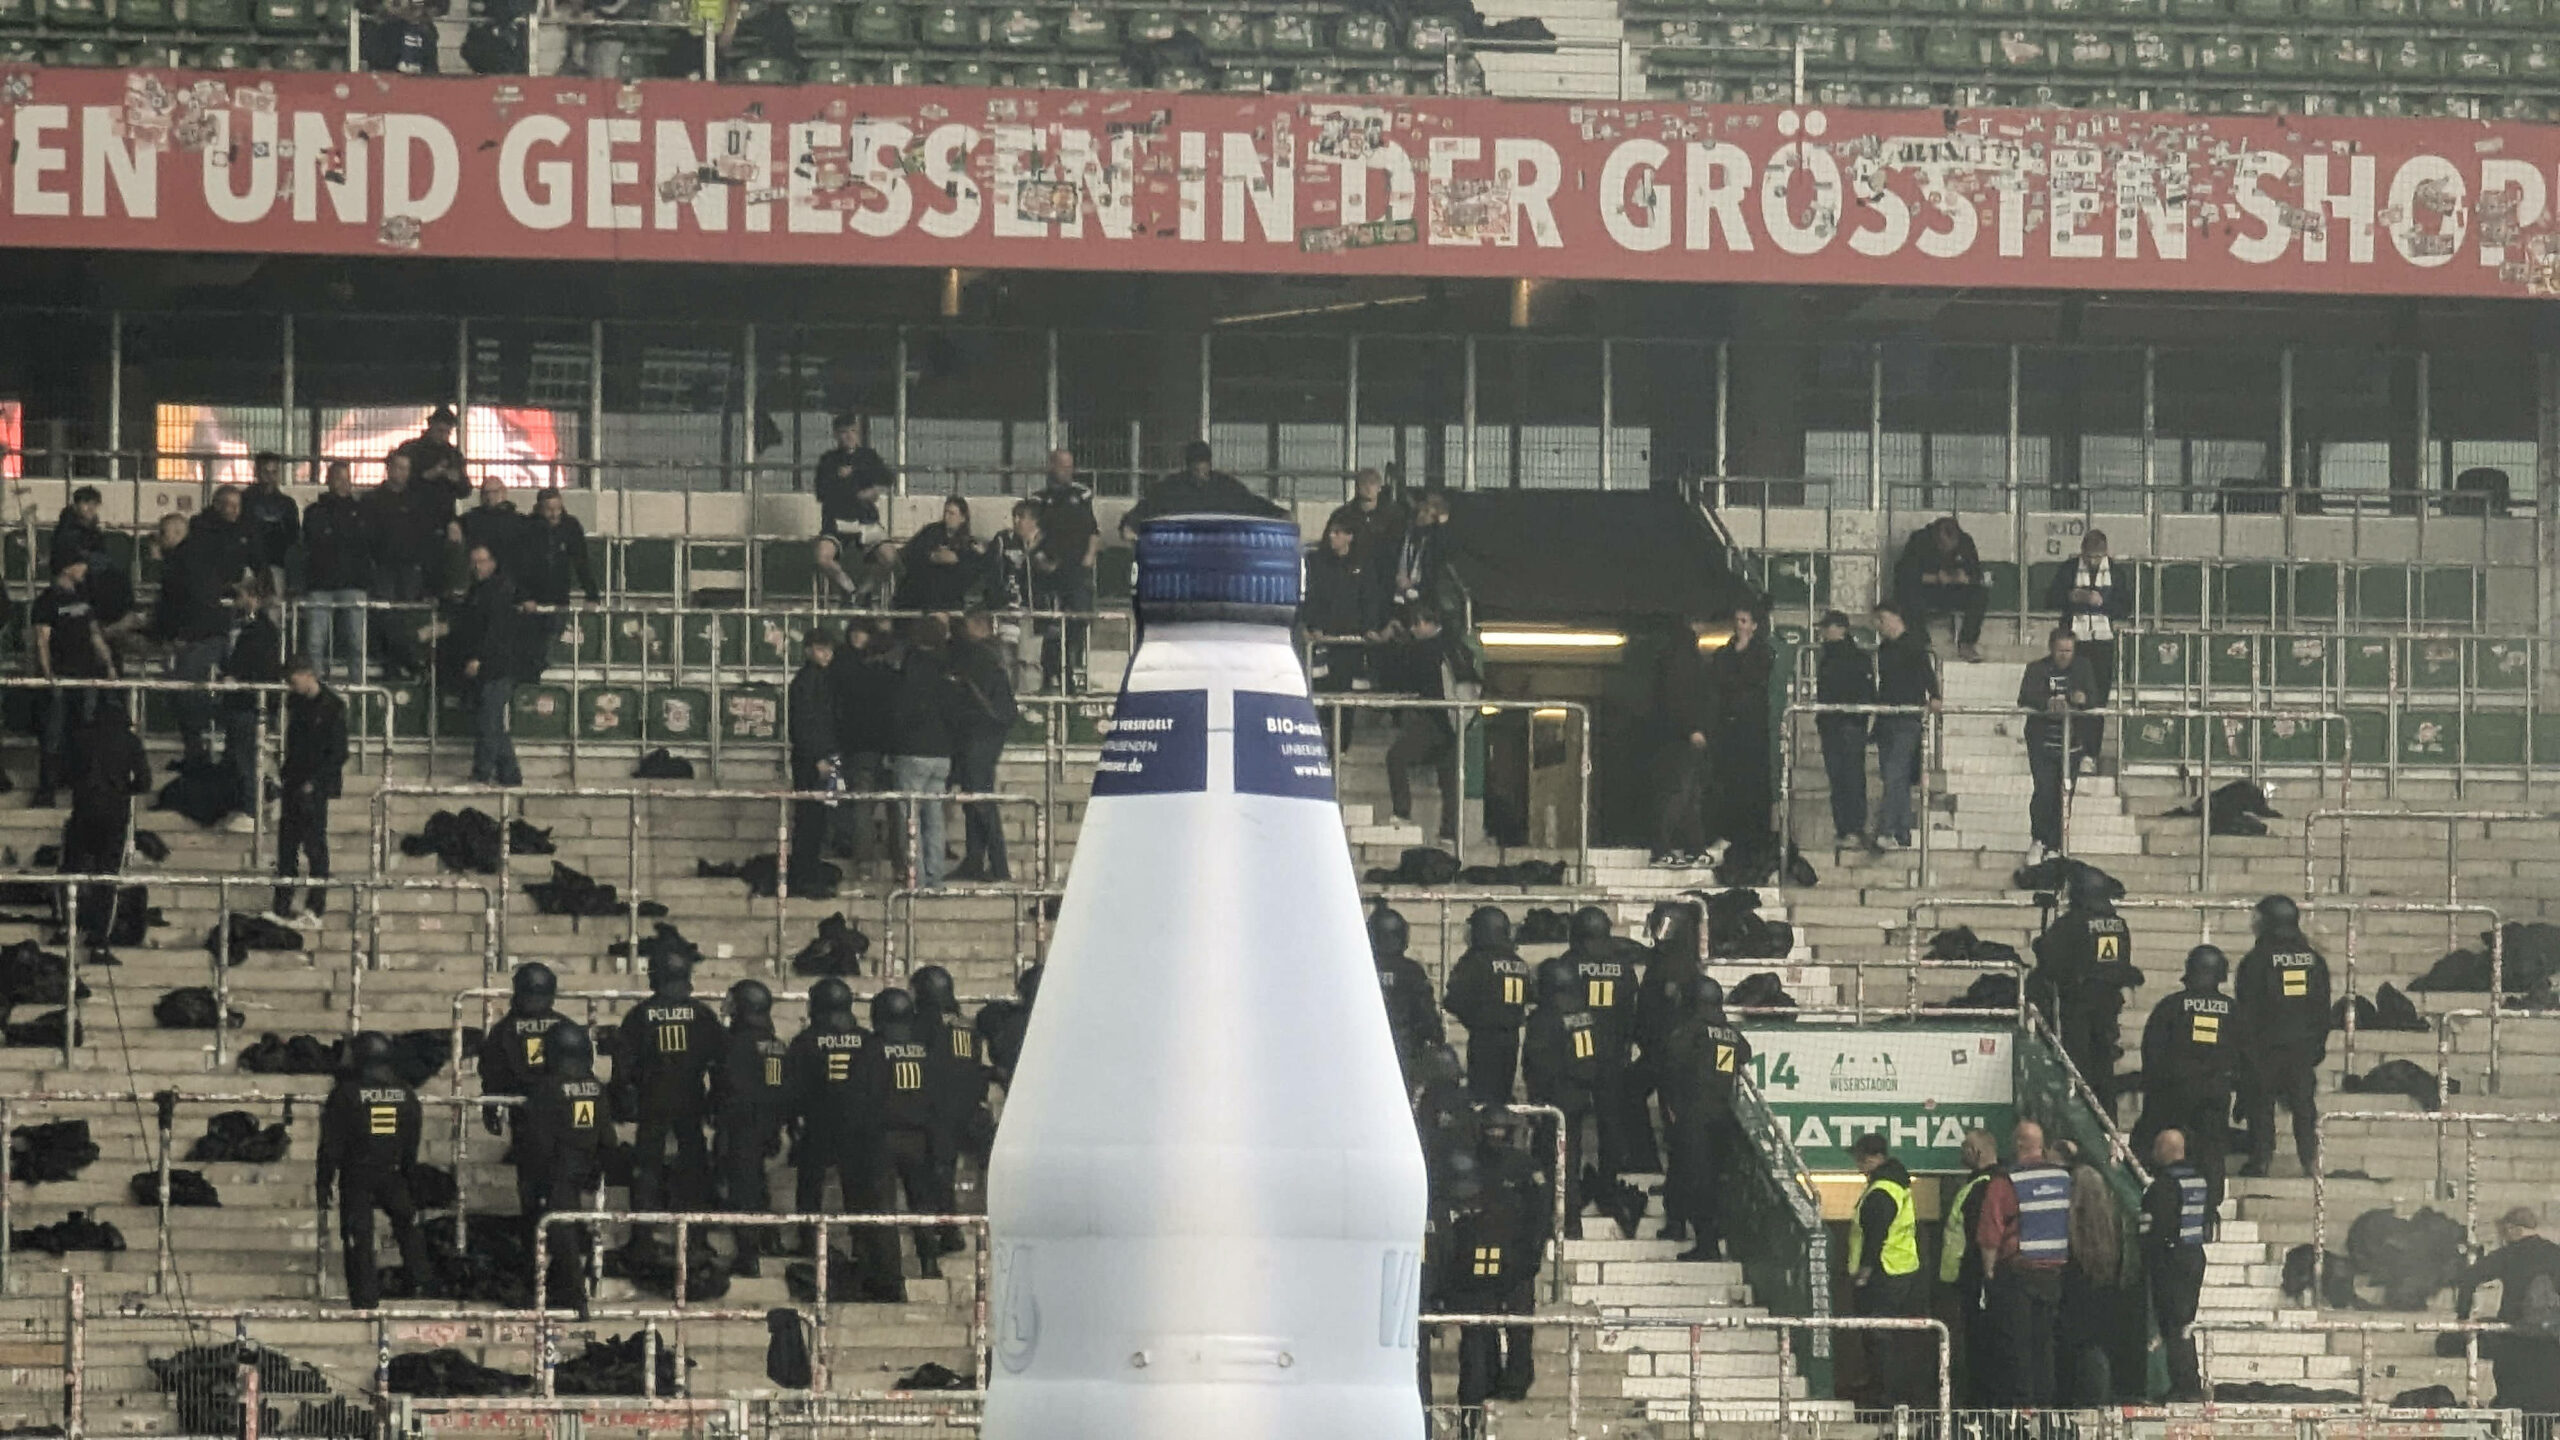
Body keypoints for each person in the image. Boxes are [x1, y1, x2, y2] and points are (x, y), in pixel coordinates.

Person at [785, 976, 901, 1300]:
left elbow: (792, 1088)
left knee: (810, 1185)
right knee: (857, 1191)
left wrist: (794, 1121)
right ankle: (859, 1245)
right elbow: (880, 1086)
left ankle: (809, 1238)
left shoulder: (806, 1041)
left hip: (819, 1126)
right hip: (861, 1132)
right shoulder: (868, 1041)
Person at [317, 1031, 432, 1309]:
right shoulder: (405, 1094)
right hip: (392, 1171)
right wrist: (408, 1174)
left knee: (359, 1236)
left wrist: (324, 1182)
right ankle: (422, 1283)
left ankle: (365, 1297)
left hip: (356, 1173)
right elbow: (411, 1140)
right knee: (407, 1225)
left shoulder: (345, 1094)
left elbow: (331, 1144)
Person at [1436, 1146, 1541, 1438]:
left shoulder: (1469, 1222)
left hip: (1481, 1293)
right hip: (1480, 1294)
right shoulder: (1487, 1218)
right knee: (1477, 1357)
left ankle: (1475, 1421)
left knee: (1477, 1358)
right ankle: (1473, 1421)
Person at [613, 950, 725, 1222]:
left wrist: (624, 1100)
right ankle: (695, 1238)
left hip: (653, 1099)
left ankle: (644, 1237)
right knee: (694, 1165)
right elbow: (721, 1063)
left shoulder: (639, 1016)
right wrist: (715, 1101)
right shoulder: (702, 1015)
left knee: (647, 1167)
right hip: (691, 1098)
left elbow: (623, 1067)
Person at [1975, 1119, 2072, 1408]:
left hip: (2017, 1273)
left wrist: (1989, 1272)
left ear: (2018, 1143)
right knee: (2044, 1344)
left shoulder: (2007, 1180)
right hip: (2054, 1272)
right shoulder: (2063, 1178)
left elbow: (1990, 1231)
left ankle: (2021, 1406)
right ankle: (2044, 1405)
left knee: (2016, 1343)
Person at [1565, 906, 1651, 1232]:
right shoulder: (1623, 965)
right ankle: (1609, 1179)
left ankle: (1571, 1181)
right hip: (1613, 1055)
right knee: (1611, 1123)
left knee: (1571, 1121)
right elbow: (1632, 1008)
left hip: (1576, 1053)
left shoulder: (1570, 963)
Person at [2234, 895, 2331, 1179]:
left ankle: (2261, 1159)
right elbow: (2322, 1007)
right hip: (2301, 1047)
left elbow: (2246, 1007)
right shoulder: (2313, 960)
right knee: (2303, 1106)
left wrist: (2246, 1051)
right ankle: (2310, 1160)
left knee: (2261, 1106)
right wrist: (2316, 1045)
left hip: (2265, 1047)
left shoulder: (2256, 961)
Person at [873, 987, 966, 1279]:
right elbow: (938, 1095)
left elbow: (860, 1097)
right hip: (920, 1137)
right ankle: (929, 1263)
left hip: (883, 1137)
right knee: (921, 1203)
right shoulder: (925, 1051)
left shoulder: (873, 1050)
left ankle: (891, 1274)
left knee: (884, 1209)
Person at [516, 1021, 608, 1307]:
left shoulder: (547, 1088)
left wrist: (536, 1176)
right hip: (585, 1164)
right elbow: (608, 1135)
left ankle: (574, 1296)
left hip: (556, 1168)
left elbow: (538, 1139)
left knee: (559, 1229)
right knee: (564, 1226)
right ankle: (556, 1286)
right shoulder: (595, 1087)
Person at [2133, 946, 2237, 1198]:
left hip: (2173, 1092)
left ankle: (2164, 1196)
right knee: (2211, 1152)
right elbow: (2247, 1056)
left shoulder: (2171, 1006)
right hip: (2215, 1093)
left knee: (2160, 1145)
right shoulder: (2234, 1010)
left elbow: (2152, 1050)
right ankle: (2210, 1207)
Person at [1659, 973, 1748, 1263]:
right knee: (1702, 1176)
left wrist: (1673, 1102)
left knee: (1694, 1177)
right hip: (1721, 1113)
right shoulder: (1729, 1032)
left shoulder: (1691, 1030)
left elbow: (1671, 1060)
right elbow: (1745, 1053)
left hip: (1693, 1113)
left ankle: (1701, 1240)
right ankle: (1681, 1226)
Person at [2032, 866, 2135, 1101]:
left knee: (2078, 1065)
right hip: (2109, 1005)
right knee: (2104, 1066)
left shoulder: (2073, 922)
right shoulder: (2119, 924)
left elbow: (2050, 960)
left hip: (2078, 1005)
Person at [1521, 956, 1603, 1241]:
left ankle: (1554, 1223)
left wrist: (1536, 1101)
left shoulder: (1545, 1018)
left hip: (1553, 1100)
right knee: (1571, 1159)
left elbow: (1538, 1063)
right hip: (1579, 1098)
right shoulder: (1584, 1014)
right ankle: (1572, 1223)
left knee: (1551, 1162)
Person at [713, 979, 790, 1276]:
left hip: (742, 1125)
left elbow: (728, 1088)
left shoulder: (735, 1044)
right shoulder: (776, 1045)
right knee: (758, 1186)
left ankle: (748, 1254)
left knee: (743, 1190)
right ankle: (769, 1238)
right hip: (769, 1124)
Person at [1377, 605, 1473, 843]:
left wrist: (1390, 642)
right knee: (1449, 779)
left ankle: (1402, 812)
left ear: (1429, 624)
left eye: (1416, 624)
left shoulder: (1425, 650)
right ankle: (1449, 832)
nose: (1414, 629)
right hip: (1456, 720)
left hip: (1433, 718)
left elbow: (1401, 677)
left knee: (1396, 757)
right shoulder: (1458, 647)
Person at [59, 702, 152, 942]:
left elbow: (64, 774)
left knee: (70, 872)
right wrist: (123, 790)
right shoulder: (130, 742)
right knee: (107, 877)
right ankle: (100, 939)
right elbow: (145, 782)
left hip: (83, 812)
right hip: (115, 815)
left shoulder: (81, 738)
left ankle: (67, 927)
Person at [1848, 1131, 1929, 1409]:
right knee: (1888, 1335)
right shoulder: (1897, 1185)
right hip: (1901, 1269)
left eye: (1861, 1158)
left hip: (1883, 1272)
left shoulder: (1881, 1190)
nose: (1857, 1163)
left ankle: (1885, 1396)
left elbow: (1874, 1235)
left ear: (1874, 1158)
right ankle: (1888, 1390)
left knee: (1878, 1334)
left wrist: (1864, 1271)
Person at [2454, 1206, 2560, 1412]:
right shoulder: (2555, 1254)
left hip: (2515, 1340)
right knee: (2545, 1409)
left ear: (2513, 1229)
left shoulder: (2508, 1255)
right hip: (2550, 1343)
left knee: (2515, 1403)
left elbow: (2469, 1278)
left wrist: (2463, 1316)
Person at [152, 512, 236, 768]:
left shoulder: (178, 562)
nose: (160, 540)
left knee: (184, 694)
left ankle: (197, 753)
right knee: (186, 692)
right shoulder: (203, 557)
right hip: (212, 632)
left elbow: (175, 604)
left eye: (163, 534)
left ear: (176, 533)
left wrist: (170, 635)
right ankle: (198, 751)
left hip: (198, 637)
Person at [31, 552, 114, 808]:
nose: (84, 568)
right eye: (79, 563)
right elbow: (41, 639)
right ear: (67, 567)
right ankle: (47, 789)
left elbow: (94, 634)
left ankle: (81, 784)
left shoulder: (83, 597)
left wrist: (108, 664)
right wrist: (48, 673)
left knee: (84, 730)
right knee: (54, 732)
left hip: (87, 674)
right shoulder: (46, 600)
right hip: (62, 674)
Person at [888, 616, 964, 890]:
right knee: (934, 818)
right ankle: (935, 876)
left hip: (913, 750)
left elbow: (900, 711)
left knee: (910, 818)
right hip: (942, 753)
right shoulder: (948, 669)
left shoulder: (911, 668)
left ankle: (915, 877)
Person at [914, 964, 994, 1225]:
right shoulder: (968, 1025)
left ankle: (948, 1228)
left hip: (939, 1105)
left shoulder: (924, 1024)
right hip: (970, 1103)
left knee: (938, 1169)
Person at [270, 658, 347, 926]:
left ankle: (315, 906)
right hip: (295, 780)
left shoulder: (332, 707)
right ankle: (281, 904)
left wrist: (316, 781)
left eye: (293, 680)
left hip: (315, 785)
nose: (291, 686)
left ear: (307, 675)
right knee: (287, 847)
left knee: (315, 847)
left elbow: (338, 752)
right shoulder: (298, 703)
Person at [450, 545, 531, 786]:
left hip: (497, 666)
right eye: (474, 562)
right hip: (494, 666)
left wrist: (477, 657)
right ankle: (510, 774)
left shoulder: (497, 591)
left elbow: (493, 631)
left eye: (482, 562)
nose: (477, 567)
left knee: (488, 723)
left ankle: (482, 773)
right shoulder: (479, 591)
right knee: (493, 723)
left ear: (492, 563)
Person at [2141, 1127, 2212, 1401]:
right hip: (2194, 1255)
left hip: (2172, 1261)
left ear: (2164, 1151)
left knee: (2173, 1324)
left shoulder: (2163, 1186)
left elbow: (2154, 1230)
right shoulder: (2198, 1180)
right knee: (2185, 1323)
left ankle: (2184, 1384)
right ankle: (2188, 1380)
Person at [2048, 530, 2130, 764]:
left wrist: (2102, 602)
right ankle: (2070, 746)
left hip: (2103, 642)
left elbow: (2125, 608)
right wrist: (2072, 596)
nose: (2093, 562)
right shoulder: (2070, 568)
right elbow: (2050, 598)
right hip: (2075, 641)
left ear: (2105, 553)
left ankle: (2091, 750)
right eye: (2089, 557)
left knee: (2097, 697)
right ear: (2082, 552)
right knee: (2071, 693)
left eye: (2097, 557)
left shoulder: (2115, 572)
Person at [2056, 1137, 2127, 1404]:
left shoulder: (2070, 1224)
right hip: (2102, 1292)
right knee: (2094, 1350)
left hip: (2073, 1296)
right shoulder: (2111, 1223)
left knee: (2073, 1352)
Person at [948, 612, 1018, 883]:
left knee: (980, 800)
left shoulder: (980, 657)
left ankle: (998, 864)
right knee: (973, 799)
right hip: (984, 736)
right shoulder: (993, 655)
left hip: (980, 736)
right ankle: (975, 859)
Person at [2017, 626, 2096, 865]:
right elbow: (2025, 697)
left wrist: (2083, 699)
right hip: (2042, 743)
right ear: (2051, 648)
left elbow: (2094, 696)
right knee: (2044, 791)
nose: (2064, 655)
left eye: (2069, 650)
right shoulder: (2036, 669)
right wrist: (2047, 702)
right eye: (2060, 650)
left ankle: (2055, 845)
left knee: (2064, 794)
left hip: (2071, 745)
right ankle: (2038, 839)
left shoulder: (2083, 668)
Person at [1303, 519, 1386, 735]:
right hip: (1324, 641)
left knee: (1345, 693)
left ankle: (1343, 740)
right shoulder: (1319, 563)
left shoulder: (1363, 566)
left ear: (1349, 536)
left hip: (1350, 642)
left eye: (1338, 532)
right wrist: (1314, 625)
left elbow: (1370, 598)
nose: (1332, 536)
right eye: (1331, 532)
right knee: (1321, 690)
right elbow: (1312, 598)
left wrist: (1369, 627)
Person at [1028, 450, 1101, 694]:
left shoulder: (1081, 495)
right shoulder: (1038, 499)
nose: (1067, 472)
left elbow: (1093, 530)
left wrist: (1089, 558)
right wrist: (1040, 560)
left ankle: (1069, 672)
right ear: (1052, 467)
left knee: (1077, 622)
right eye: (1062, 466)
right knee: (1051, 628)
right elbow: (1031, 536)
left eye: (1070, 466)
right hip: (1049, 573)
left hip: (1076, 571)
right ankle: (1051, 678)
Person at [1938, 1128, 2002, 1406]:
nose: (1961, 1152)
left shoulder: (1983, 1186)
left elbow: (1981, 1235)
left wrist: (1981, 1276)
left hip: (1976, 1280)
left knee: (1980, 1346)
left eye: (1965, 1147)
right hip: (1975, 1280)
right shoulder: (1988, 1182)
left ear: (1977, 1152)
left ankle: (1981, 1409)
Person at [1869, 601, 1938, 852]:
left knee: (1895, 773)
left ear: (1896, 618)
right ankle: (1901, 832)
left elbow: (1926, 672)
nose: (1878, 626)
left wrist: (1935, 695)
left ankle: (1889, 829)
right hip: (1887, 717)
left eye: (1882, 619)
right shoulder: (1885, 649)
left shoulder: (1913, 644)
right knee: (1894, 777)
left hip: (1907, 717)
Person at [1443, 906, 1530, 1103]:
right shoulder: (1519, 963)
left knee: (1482, 1096)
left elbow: (1453, 999)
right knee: (1503, 1093)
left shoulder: (1476, 960)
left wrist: (1472, 1017)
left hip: (1484, 1038)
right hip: (1511, 1038)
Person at [363, 452, 437, 680]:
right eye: (398, 467)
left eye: (406, 468)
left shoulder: (417, 501)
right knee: (386, 616)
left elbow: (425, 538)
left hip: (410, 570)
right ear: (388, 468)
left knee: (407, 619)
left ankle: (403, 664)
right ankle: (402, 664)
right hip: (383, 568)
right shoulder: (372, 499)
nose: (402, 473)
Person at [830, 620, 896, 869]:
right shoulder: (894, 678)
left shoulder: (849, 674)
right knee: (896, 807)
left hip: (858, 747)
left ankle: (865, 862)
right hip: (887, 749)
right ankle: (902, 863)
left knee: (861, 805)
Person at [219, 576, 283, 831]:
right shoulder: (256, 627)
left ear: (253, 597)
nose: (238, 601)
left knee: (247, 757)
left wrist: (235, 676)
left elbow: (256, 664)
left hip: (250, 702)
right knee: (243, 755)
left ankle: (251, 810)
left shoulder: (260, 629)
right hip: (246, 702)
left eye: (242, 595)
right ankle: (271, 793)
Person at [1652, 617, 1716, 867]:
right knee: (1680, 793)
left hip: (1676, 736)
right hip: (1683, 736)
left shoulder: (1674, 652)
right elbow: (1683, 696)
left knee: (1688, 794)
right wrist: (1694, 728)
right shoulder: (1685, 656)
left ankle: (1694, 846)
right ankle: (1662, 847)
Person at [301, 461, 373, 683]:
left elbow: (365, 546)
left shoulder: (362, 512)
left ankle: (359, 690)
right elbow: (314, 543)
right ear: (328, 480)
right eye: (338, 478)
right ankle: (317, 690)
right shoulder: (314, 511)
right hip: (320, 585)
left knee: (356, 642)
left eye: (346, 478)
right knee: (315, 642)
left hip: (353, 585)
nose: (343, 483)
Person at [1119, 439, 1286, 534]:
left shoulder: (1225, 487)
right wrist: (1128, 524)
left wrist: (1280, 514)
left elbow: (1251, 503)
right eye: (1196, 469)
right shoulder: (1171, 488)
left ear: (1209, 465)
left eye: (1204, 468)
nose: (1200, 473)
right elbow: (1146, 507)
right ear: (1188, 467)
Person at [477, 962, 567, 1135]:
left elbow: (491, 1071)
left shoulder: (504, 1029)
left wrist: (490, 1105)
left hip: (525, 1103)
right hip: (556, 1103)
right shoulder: (566, 1026)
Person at [786, 630, 842, 895]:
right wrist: (817, 758)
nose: (826, 655)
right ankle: (803, 873)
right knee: (809, 817)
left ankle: (808, 870)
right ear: (809, 650)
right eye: (821, 649)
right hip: (812, 759)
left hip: (825, 755)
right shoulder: (806, 681)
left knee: (818, 818)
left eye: (828, 649)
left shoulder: (824, 679)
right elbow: (804, 725)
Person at [1814, 610, 1874, 847]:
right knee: (1839, 778)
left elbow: (1863, 692)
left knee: (1850, 777)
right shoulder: (1830, 657)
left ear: (1840, 629)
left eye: (1827, 628)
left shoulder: (1853, 658)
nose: (1823, 632)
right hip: (1834, 724)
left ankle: (1853, 827)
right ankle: (1845, 828)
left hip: (1847, 724)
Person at [1894, 515, 1989, 663]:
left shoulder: (1965, 542)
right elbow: (1904, 575)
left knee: (1980, 594)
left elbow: (1976, 573)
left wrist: (1964, 578)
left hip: (1952, 591)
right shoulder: (1919, 540)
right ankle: (1922, 644)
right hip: (1926, 591)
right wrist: (1934, 577)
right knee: (1909, 596)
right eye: (1943, 547)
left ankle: (1967, 643)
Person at [522, 488, 600, 666]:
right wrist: (524, 596)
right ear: (540, 508)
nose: (554, 514)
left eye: (557, 508)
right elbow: (521, 565)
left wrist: (592, 594)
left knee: (553, 642)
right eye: (549, 509)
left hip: (559, 597)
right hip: (533, 598)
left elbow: (581, 562)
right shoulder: (528, 527)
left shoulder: (570, 526)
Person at [1370, 908, 1443, 1065]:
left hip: (1366, 1044)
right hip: (1403, 1048)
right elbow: (1425, 1011)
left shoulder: (1358, 968)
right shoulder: (1410, 971)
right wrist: (1436, 1036)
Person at [896, 496, 987, 614]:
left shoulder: (967, 544)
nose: (946, 517)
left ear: (962, 518)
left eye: (952, 513)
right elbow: (911, 553)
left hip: (951, 599)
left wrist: (955, 559)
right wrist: (932, 557)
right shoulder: (931, 532)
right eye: (945, 512)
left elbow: (973, 566)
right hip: (922, 596)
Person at [813, 414, 893, 540]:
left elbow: (887, 478)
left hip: (866, 520)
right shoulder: (828, 460)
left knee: (890, 558)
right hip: (836, 521)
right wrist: (848, 489)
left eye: (853, 431)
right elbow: (820, 493)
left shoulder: (869, 456)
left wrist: (858, 473)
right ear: (835, 434)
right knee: (823, 557)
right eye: (844, 432)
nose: (850, 436)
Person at [991, 504, 1042, 696]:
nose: (1016, 521)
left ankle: (1029, 701)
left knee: (1028, 659)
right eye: (1015, 517)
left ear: (1034, 521)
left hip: (1033, 610)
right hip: (1008, 608)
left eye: (1022, 517)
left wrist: (1033, 549)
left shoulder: (1044, 542)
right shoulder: (1004, 540)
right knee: (1006, 657)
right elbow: (994, 571)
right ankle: (1006, 699)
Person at [1327, 466, 1410, 582]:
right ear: (1357, 487)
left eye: (1372, 483)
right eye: (1364, 483)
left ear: (1379, 487)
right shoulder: (1343, 516)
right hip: (1349, 578)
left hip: (1383, 579)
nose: (1368, 488)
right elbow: (1328, 546)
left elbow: (1401, 548)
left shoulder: (1394, 516)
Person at [244, 451, 301, 604]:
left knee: (274, 610)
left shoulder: (288, 504)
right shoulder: (244, 501)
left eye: (274, 472)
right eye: (265, 472)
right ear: (256, 472)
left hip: (278, 567)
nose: (269, 477)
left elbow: (293, 537)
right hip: (248, 568)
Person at [1388, 491, 1454, 614]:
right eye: (1423, 510)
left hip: (1423, 599)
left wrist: (1442, 523)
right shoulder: (1401, 534)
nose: (1423, 516)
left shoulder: (1433, 542)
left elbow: (1441, 557)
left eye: (1430, 515)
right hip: (1395, 594)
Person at [48, 485, 107, 578]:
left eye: (94, 504)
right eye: (86, 503)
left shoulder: (95, 533)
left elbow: (103, 557)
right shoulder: (65, 530)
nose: (91, 508)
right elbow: (60, 560)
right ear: (75, 505)